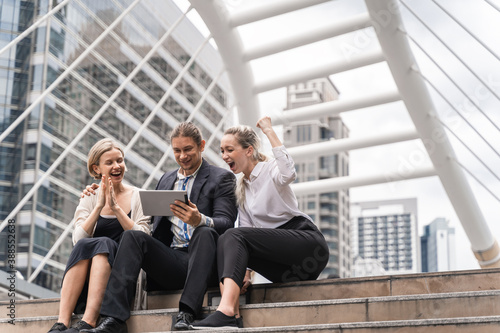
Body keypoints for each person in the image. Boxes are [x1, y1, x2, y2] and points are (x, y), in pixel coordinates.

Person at [81, 122, 238, 333]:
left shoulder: (222, 178)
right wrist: (97, 187)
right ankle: (113, 320)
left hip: (207, 262)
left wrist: (199, 219)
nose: (183, 156)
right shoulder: (166, 179)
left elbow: (227, 223)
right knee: (133, 236)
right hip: (174, 261)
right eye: (177, 151)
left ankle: (187, 313)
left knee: (204, 231)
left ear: (201, 146)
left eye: (188, 149)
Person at [191, 116, 330, 330]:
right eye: (222, 151)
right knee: (225, 238)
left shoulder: (270, 169)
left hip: (306, 245)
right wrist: (244, 273)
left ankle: (226, 311)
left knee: (232, 234)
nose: (224, 156)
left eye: (229, 149)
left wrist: (268, 130)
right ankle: (233, 315)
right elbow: (245, 232)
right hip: (285, 268)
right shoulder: (242, 188)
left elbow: (289, 172)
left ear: (248, 150)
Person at [47, 139, 151, 333]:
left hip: (119, 281)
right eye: (109, 163)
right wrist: (98, 205)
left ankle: (89, 320)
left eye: (120, 160)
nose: (117, 166)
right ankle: (62, 322)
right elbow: (78, 241)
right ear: (97, 169)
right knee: (88, 244)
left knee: (104, 243)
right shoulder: (90, 195)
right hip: (88, 280)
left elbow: (143, 237)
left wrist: (116, 208)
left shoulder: (139, 196)